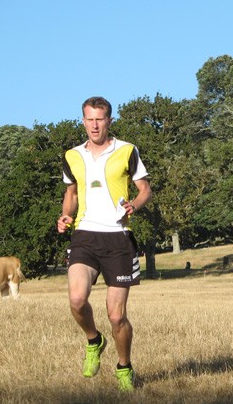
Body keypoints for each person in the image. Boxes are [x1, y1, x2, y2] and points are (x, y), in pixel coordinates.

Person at [56, 97, 152, 392]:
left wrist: (134, 205)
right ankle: (94, 340)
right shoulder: (71, 155)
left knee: (116, 315)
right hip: (84, 235)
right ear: (82, 121)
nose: (94, 125)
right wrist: (65, 216)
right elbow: (71, 192)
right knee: (76, 299)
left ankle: (124, 367)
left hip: (118, 238)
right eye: (89, 119)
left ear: (110, 120)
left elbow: (145, 189)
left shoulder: (127, 151)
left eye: (100, 119)